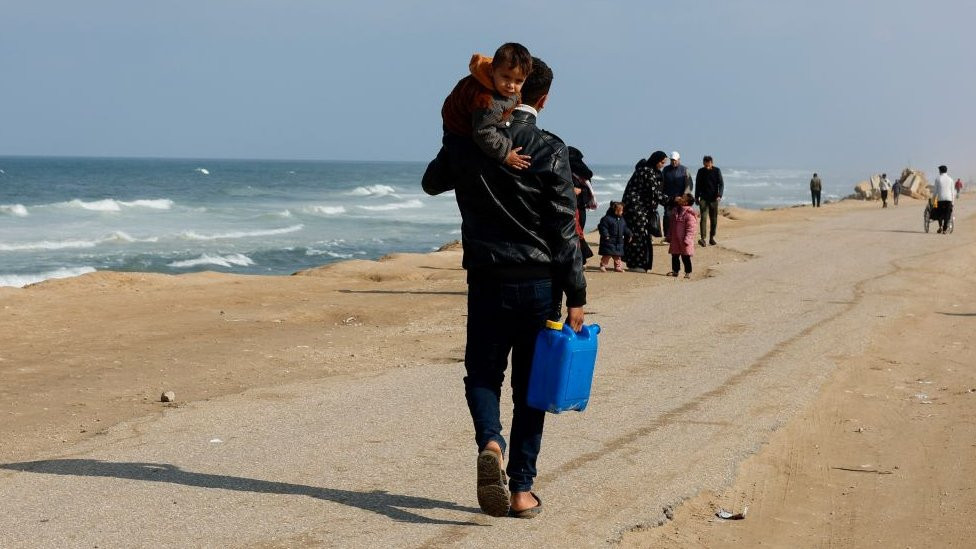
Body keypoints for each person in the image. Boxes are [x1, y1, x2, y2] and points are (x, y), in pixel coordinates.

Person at [422, 57, 586, 519]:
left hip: (487, 279)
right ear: (543, 99)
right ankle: (521, 489)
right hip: (539, 284)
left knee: (482, 375)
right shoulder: (550, 148)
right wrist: (577, 295)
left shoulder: (469, 141)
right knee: (531, 388)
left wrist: (453, 139)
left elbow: (431, 183)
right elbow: (563, 229)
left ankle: (491, 441)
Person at [440, 43, 534, 170]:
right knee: (469, 159)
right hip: (458, 127)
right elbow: (482, 133)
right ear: (492, 70)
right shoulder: (487, 102)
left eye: (518, 81)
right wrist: (505, 155)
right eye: (506, 77)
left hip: (465, 108)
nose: (511, 85)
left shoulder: (499, 74)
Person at [622, 151, 669, 273]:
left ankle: (638, 264)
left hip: (640, 208)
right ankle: (637, 265)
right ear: (655, 160)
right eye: (662, 162)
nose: (663, 165)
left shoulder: (649, 170)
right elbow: (654, 192)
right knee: (639, 236)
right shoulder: (647, 171)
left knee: (641, 235)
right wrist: (672, 201)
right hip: (635, 208)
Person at [694, 155, 724, 246]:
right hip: (703, 198)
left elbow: (721, 184)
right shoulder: (700, 171)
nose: (706, 167)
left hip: (714, 199)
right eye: (705, 165)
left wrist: (719, 195)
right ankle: (703, 239)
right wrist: (696, 197)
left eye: (708, 165)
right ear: (703, 163)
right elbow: (697, 185)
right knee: (703, 218)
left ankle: (711, 237)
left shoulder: (717, 171)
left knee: (714, 219)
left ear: (712, 163)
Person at [667, 193, 698, 278]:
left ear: (686, 203)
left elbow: (691, 228)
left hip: (684, 240)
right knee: (674, 255)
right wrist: (669, 236)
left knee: (686, 257)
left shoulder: (689, 214)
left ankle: (688, 272)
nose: (680, 198)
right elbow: (671, 225)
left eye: (683, 198)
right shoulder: (675, 211)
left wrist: (688, 239)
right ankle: (675, 271)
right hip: (675, 239)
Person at [662, 151, 691, 239]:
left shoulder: (685, 169)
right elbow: (662, 184)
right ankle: (667, 236)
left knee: (680, 218)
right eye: (672, 160)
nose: (673, 162)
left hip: (681, 199)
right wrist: (662, 196)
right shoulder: (665, 170)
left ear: (679, 160)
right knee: (667, 216)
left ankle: (679, 235)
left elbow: (689, 184)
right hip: (669, 198)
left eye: (675, 160)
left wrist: (684, 197)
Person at [597, 201, 631, 272]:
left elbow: (625, 228)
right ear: (614, 210)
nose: (622, 212)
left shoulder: (621, 219)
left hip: (619, 241)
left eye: (622, 210)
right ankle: (603, 265)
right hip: (609, 241)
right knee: (607, 255)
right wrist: (606, 235)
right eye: (620, 210)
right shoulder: (607, 219)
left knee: (618, 256)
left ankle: (617, 267)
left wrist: (629, 234)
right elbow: (603, 227)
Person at [934, 165, 954, 234]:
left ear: (940, 171)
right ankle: (945, 230)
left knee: (939, 213)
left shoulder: (937, 179)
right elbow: (952, 192)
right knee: (947, 214)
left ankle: (940, 227)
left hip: (940, 199)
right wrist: (953, 203)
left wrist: (933, 200)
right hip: (949, 199)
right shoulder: (950, 179)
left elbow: (935, 192)